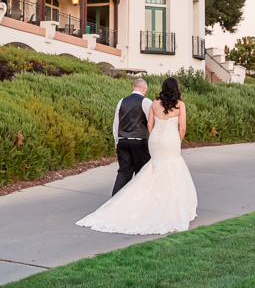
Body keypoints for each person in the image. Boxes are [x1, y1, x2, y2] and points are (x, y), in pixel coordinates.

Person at [76, 77, 198, 235]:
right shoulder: (179, 105)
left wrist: (119, 139)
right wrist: (177, 141)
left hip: (150, 140)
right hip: (169, 140)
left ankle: (120, 201)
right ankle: (162, 205)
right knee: (170, 168)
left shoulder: (152, 103)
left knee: (142, 170)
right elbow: (182, 128)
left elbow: (146, 125)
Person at [110, 78, 153, 196]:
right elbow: (151, 123)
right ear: (144, 89)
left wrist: (116, 139)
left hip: (122, 141)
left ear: (134, 87)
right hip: (139, 141)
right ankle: (140, 199)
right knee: (142, 172)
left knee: (124, 172)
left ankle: (114, 200)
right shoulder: (146, 102)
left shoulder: (122, 101)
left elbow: (116, 122)